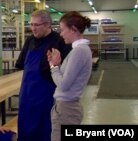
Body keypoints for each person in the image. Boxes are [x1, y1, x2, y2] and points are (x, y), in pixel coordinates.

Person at [15, 10, 71, 141]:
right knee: (25, 128)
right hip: (27, 94)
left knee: (46, 129)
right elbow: (22, 64)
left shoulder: (59, 41)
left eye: (37, 25)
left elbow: (65, 72)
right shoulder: (29, 41)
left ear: (47, 24)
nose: (33, 28)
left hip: (47, 95)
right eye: (31, 24)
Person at [47, 11, 92, 141]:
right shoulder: (79, 50)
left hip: (67, 109)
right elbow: (69, 78)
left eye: (62, 30)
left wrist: (54, 67)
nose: (61, 34)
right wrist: (57, 64)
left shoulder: (79, 51)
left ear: (73, 29)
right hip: (66, 107)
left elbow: (63, 84)